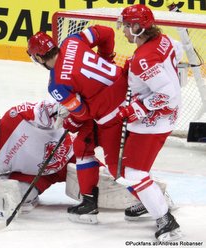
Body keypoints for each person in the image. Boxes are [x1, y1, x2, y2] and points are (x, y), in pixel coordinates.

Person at [27, 25, 131, 222]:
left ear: (39, 58)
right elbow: (107, 33)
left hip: (113, 113)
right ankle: (89, 202)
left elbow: (82, 113)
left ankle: (153, 199)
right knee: (82, 145)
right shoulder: (72, 41)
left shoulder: (56, 84)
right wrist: (106, 58)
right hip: (129, 87)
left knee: (117, 165)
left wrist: (71, 122)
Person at [115, 4, 183, 241]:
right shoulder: (162, 40)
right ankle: (148, 201)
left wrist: (138, 107)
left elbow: (167, 94)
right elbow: (179, 53)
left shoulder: (143, 58)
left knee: (134, 172)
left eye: (125, 26)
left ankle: (166, 220)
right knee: (130, 167)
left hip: (154, 122)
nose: (123, 30)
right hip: (164, 117)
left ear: (136, 27)